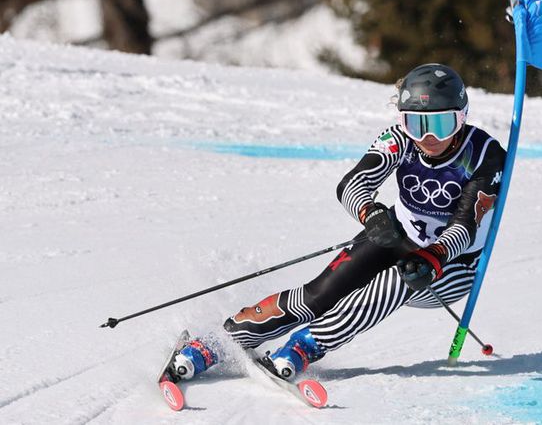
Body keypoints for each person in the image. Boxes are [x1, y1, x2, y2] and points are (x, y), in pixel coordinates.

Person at [169, 63, 506, 381]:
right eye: (415, 123)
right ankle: (216, 342)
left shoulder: (485, 155)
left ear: (461, 118)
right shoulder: (399, 140)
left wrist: (433, 255)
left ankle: (304, 345)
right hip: (397, 234)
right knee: (320, 294)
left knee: (397, 280)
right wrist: (369, 213)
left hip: (453, 263)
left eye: (441, 124)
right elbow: (353, 184)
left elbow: (465, 225)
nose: (428, 136)